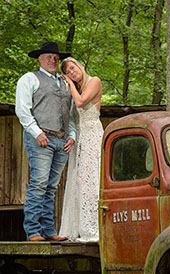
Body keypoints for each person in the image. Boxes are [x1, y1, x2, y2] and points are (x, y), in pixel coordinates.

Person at [15, 41, 77, 242]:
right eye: (49, 56)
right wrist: (36, 132)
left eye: (56, 57)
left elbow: (72, 113)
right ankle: (33, 231)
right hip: (41, 137)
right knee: (39, 183)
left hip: (62, 140)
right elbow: (22, 110)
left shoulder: (67, 83)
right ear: (40, 58)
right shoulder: (29, 79)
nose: (53, 59)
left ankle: (48, 231)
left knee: (51, 187)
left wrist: (72, 135)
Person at [58, 57, 103, 242]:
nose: (71, 72)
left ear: (79, 66)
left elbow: (80, 103)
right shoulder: (77, 89)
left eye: (72, 68)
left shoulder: (94, 81)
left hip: (93, 134)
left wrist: (69, 83)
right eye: (67, 72)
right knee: (79, 180)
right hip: (81, 138)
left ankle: (92, 228)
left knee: (92, 179)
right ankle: (75, 227)